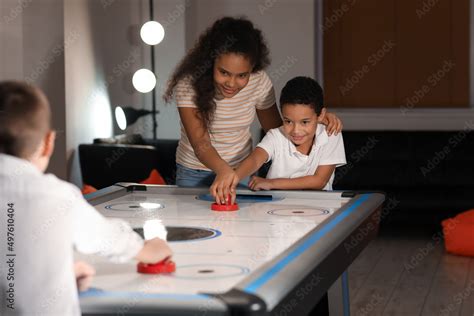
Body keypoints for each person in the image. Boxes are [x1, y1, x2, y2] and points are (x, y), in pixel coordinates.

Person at [0, 81, 172, 315]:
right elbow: (109, 238)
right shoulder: (56, 196)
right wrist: (149, 249)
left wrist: (59, 277)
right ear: (48, 143)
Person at [164, 17, 343, 204]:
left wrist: (317, 119)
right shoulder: (188, 84)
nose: (232, 83)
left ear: (252, 69)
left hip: (240, 172)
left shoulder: (259, 81)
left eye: (242, 75)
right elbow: (200, 141)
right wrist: (224, 171)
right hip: (193, 173)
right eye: (224, 72)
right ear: (211, 62)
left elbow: (276, 128)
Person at [213, 76, 346, 199]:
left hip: (319, 207)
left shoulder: (332, 135)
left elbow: (319, 181)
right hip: (275, 211)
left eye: (304, 122)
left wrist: (271, 183)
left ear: (321, 115)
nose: (296, 130)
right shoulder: (275, 136)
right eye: (288, 121)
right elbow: (255, 159)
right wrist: (233, 178)